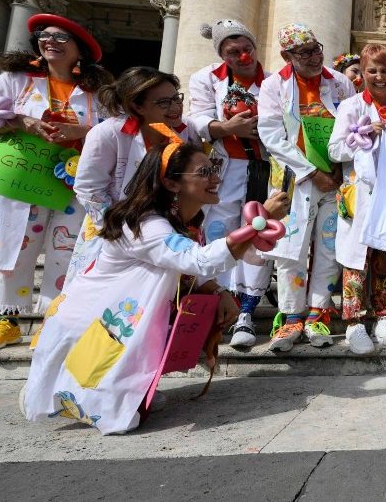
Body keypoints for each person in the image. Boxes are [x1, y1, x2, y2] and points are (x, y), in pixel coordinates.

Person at [22, 141, 289, 434]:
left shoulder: (176, 223)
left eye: (214, 169)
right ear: (171, 183)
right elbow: (196, 260)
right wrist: (262, 219)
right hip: (89, 326)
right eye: (204, 172)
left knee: (128, 402)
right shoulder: (146, 225)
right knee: (116, 414)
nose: (216, 178)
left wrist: (218, 291)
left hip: (116, 320)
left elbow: (185, 265)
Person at [0, 13, 113, 354]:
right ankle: (5, 320)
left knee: (67, 252)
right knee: (14, 244)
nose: (49, 41)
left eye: (61, 37)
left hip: (74, 183)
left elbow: (118, 132)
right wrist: (21, 122)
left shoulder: (98, 93)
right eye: (44, 35)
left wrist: (81, 131)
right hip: (24, 178)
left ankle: (55, 321)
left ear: (79, 50)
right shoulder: (15, 79)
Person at [66, 68, 200, 307]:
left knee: (151, 304)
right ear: (138, 106)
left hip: (163, 233)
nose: (176, 107)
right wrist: (118, 228)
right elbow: (88, 188)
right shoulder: (108, 133)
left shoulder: (184, 132)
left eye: (177, 97)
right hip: (113, 231)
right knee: (101, 304)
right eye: (164, 102)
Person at [258, 23, 354, 352]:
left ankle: (317, 315)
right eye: (305, 53)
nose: (315, 57)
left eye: (317, 49)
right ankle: (290, 319)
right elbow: (272, 136)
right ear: (287, 56)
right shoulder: (274, 86)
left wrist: (342, 170)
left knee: (328, 247)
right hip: (294, 182)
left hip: (336, 179)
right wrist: (312, 172)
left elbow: (353, 129)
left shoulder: (340, 83)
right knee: (290, 251)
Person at [188, 19, 273, 348]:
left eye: (247, 48)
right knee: (219, 234)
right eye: (233, 51)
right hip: (222, 168)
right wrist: (226, 128)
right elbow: (196, 119)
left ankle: (246, 314)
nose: (242, 55)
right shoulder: (206, 78)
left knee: (258, 235)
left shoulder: (276, 81)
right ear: (223, 55)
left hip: (265, 168)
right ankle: (215, 307)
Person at [328, 43, 386, 354]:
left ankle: (383, 319)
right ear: (362, 74)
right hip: (359, 194)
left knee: (385, 258)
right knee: (356, 259)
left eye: (385, 71)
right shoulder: (351, 107)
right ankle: (354, 324)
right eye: (372, 70)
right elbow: (335, 150)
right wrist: (365, 136)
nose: (379, 76)